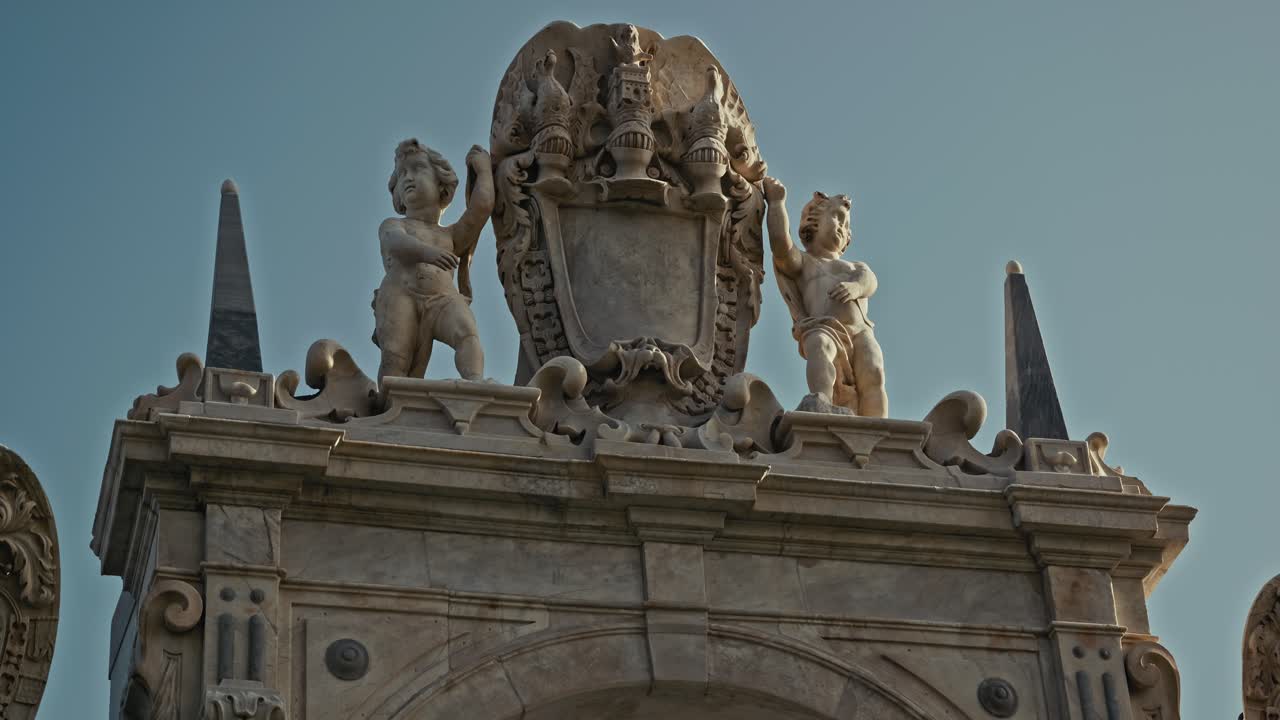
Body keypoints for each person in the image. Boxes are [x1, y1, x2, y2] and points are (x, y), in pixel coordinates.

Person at [762, 176, 887, 417]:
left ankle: (878, 424)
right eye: (837, 218)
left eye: (846, 224)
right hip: (823, 327)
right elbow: (780, 245)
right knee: (819, 348)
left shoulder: (854, 267)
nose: (842, 227)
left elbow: (870, 280)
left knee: (873, 371)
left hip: (860, 331)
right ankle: (822, 402)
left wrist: (856, 288)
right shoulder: (805, 263)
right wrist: (776, 203)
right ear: (813, 221)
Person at [372, 139, 493, 383]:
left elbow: (481, 209)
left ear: (442, 185)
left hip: (442, 299)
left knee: (466, 332)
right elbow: (395, 242)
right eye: (402, 173)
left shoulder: (450, 235)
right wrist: (427, 253)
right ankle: (388, 403)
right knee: (396, 355)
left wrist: (484, 171)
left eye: (417, 169)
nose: (408, 177)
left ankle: (475, 383)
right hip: (400, 294)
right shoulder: (394, 224)